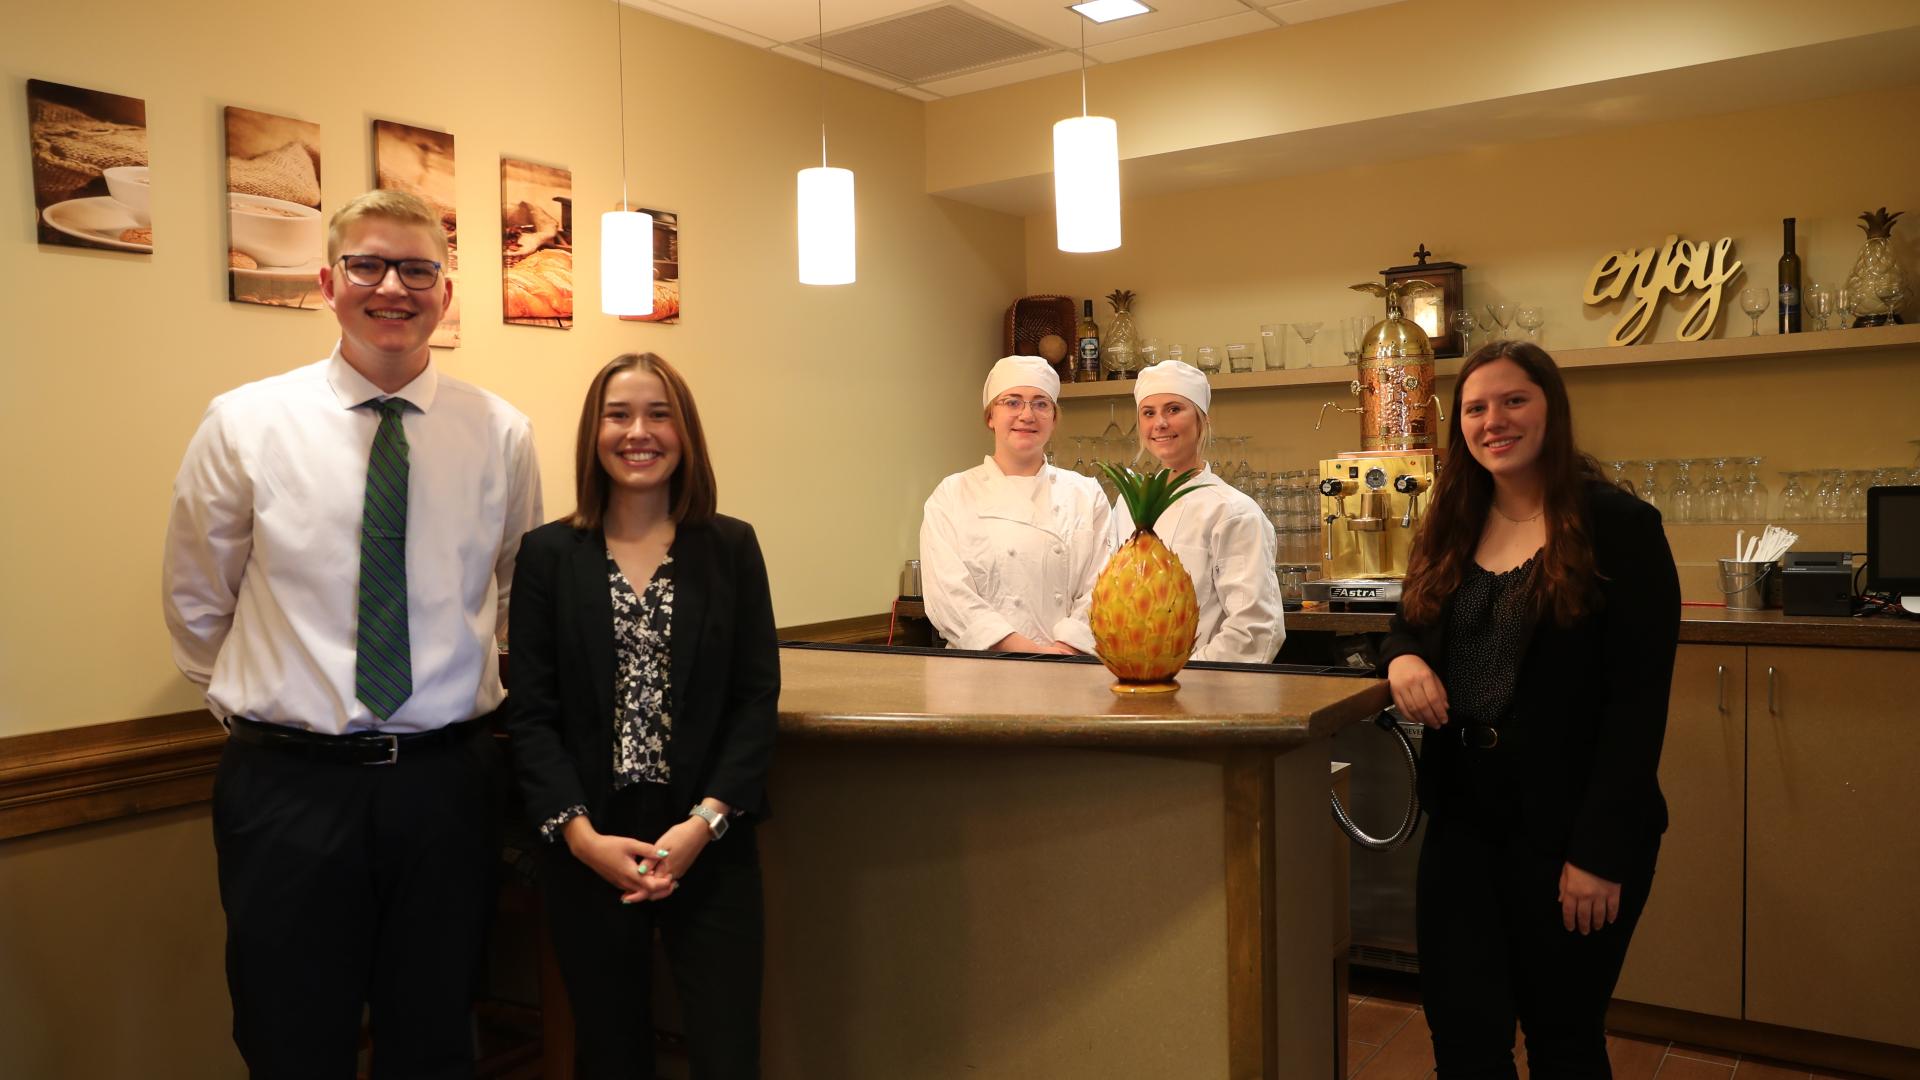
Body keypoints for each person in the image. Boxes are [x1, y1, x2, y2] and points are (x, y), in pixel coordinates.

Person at [161, 188, 543, 1078]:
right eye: (368, 265)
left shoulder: (502, 434)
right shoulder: (246, 423)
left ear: (446, 293)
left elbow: (521, 592)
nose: (392, 288)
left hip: (446, 787)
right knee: (290, 1040)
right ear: (329, 282)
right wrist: (274, 711)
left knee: (435, 1036)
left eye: (417, 269)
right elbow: (195, 599)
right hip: (288, 789)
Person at [1379, 340, 1680, 1077]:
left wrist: (1598, 855)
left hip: (1573, 831)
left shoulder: (1620, 528)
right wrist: (1402, 657)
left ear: (1552, 409)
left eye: (1514, 401)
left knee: (1563, 1039)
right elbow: (1407, 622)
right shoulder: (1452, 519)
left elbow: (1637, 707)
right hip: (1464, 823)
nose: (1494, 421)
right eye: (1476, 408)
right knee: (1464, 1039)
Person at [505, 352, 778, 1078]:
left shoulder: (730, 547)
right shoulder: (548, 555)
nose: (638, 431)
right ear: (594, 433)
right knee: (611, 1052)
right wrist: (582, 838)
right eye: (618, 414)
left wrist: (703, 825)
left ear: (685, 432)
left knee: (727, 1051)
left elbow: (756, 700)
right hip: (589, 840)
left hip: (709, 842)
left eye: (659, 414)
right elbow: (531, 714)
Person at [920, 355, 1112, 653]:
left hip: (1067, 669)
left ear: (1054, 418)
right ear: (990, 417)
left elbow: (1104, 588)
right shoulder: (952, 495)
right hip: (978, 674)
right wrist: (1030, 652)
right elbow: (948, 596)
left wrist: (1065, 649)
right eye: (1012, 402)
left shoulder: (1086, 495)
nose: (1027, 414)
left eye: (1040, 403)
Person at [1116, 360, 1283, 663]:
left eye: (1174, 409)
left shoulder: (1231, 510)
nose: (1160, 423)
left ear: (1201, 420)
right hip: (1128, 681)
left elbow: (1256, 629)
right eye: (1148, 412)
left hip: (1204, 690)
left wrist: (1188, 676)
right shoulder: (1127, 506)